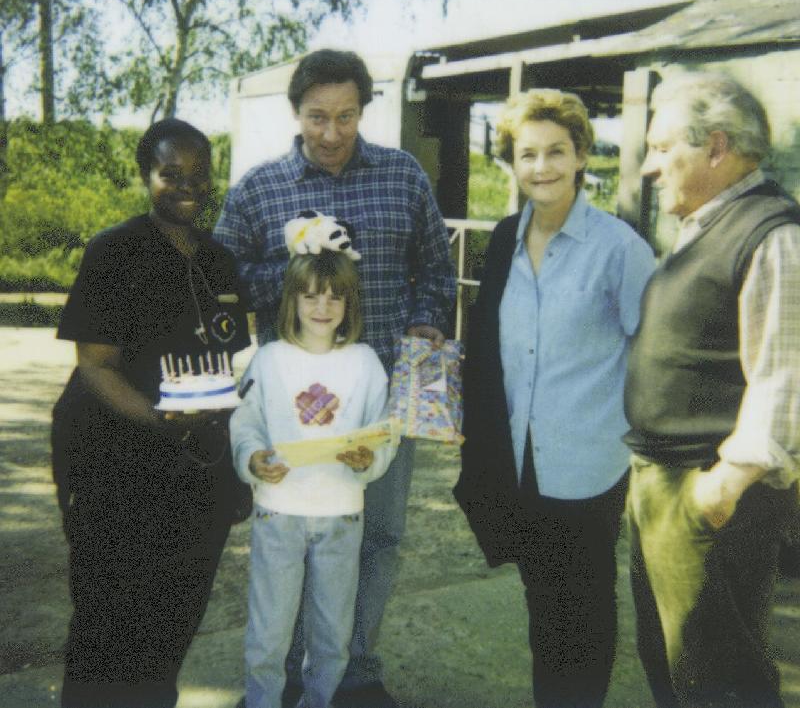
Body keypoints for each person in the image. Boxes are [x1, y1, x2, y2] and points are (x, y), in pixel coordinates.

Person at [214, 49, 456, 707]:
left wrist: (429, 322)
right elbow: (220, 279)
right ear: (296, 112)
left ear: (362, 111)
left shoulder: (403, 176)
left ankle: (355, 669)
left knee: (376, 537)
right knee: (290, 538)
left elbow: (436, 268)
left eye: (346, 116)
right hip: (294, 402)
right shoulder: (262, 188)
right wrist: (297, 267)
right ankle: (287, 673)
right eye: (318, 116)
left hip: (380, 402)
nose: (331, 132)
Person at [453, 88, 655, 708]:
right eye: (527, 154)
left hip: (589, 463)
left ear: (582, 156)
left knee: (586, 611)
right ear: (511, 162)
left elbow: (651, 352)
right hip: (519, 459)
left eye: (556, 152)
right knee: (543, 605)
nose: (541, 167)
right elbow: (488, 343)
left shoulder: (619, 248)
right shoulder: (506, 238)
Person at [51, 118, 251, 708]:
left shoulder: (220, 262)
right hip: (110, 459)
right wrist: (155, 417)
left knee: (175, 608)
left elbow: (229, 361)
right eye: (170, 173)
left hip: (194, 469)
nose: (186, 185)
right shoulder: (113, 251)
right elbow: (96, 365)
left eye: (198, 174)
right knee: (108, 617)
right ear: (146, 177)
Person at [624, 71, 800, 708]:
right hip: (664, 482)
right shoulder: (706, 228)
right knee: (675, 668)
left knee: (723, 681)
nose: (649, 168)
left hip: (709, 492)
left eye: (662, 148)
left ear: (717, 147)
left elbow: (785, 373)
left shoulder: (771, 234)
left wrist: (722, 487)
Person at [230, 232, 396, 708]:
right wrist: (252, 458)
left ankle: (317, 702)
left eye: (334, 297)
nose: (322, 307)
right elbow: (246, 422)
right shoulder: (269, 358)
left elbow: (381, 432)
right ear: (292, 300)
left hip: (341, 515)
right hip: (278, 513)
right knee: (270, 629)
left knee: (332, 631)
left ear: (349, 302)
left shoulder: (365, 364)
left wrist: (370, 459)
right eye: (310, 296)